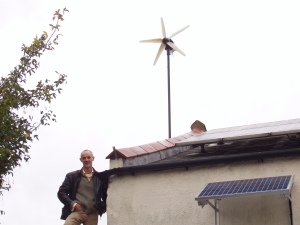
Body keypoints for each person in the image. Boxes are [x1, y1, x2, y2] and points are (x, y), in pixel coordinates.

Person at [57, 149, 107, 225]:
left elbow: (106, 197)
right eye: (84, 158)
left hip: (92, 213)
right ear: (81, 160)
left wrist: (100, 208)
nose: (86, 160)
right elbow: (61, 193)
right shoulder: (72, 176)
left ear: (93, 158)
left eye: (88, 157)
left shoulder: (100, 178)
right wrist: (73, 204)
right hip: (78, 211)